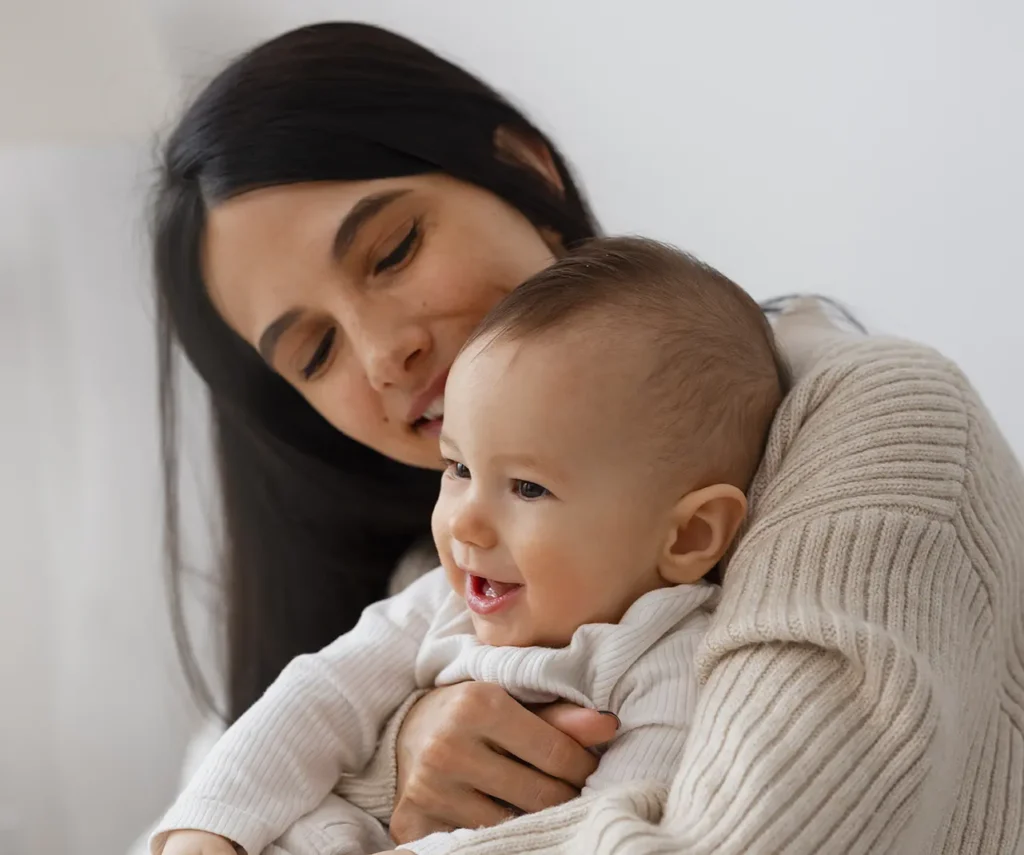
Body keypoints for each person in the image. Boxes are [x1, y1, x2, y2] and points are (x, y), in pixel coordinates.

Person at [145, 20, 1024, 855]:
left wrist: (359, 791)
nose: (384, 354)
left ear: (528, 172)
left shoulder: (874, 419)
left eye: (394, 249)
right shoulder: (443, 571)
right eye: (317, 350)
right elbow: (208, 799)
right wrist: (396, 763)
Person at [151, 237, 787, 855]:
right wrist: (207, 826)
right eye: (456, 469)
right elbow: (318, 699)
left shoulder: (663, 663)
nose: (465, 525)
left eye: (529, 487)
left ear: (690, 535)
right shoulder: (445, 598)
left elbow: (608, 834)